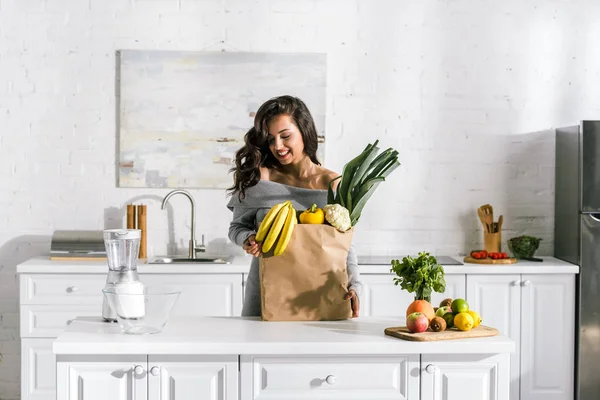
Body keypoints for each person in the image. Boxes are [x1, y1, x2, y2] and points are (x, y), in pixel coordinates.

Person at [226, 95, 362, 317]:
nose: (277, 146)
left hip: (320, 294)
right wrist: (248, 238)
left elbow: (346, 245)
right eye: (270, 139)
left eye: (285, 136)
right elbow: (236, 228)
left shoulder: (333, 184)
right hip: (266, 293)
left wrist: (355, 286)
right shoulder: (261, 179)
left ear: (304, 131)